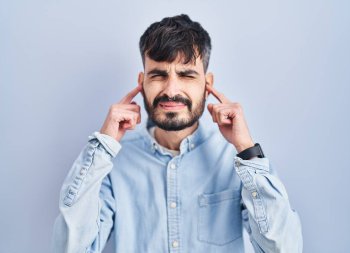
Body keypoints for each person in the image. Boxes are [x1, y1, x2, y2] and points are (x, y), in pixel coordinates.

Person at [51, 14, 303, 253]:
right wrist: (101, 148)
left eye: (186, 75)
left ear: (208, 85)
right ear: (142, 82)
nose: (171, 90)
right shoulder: (112, 162)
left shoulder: (236, 161)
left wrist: (247, 150)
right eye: (159, 75)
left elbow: (283, 248)